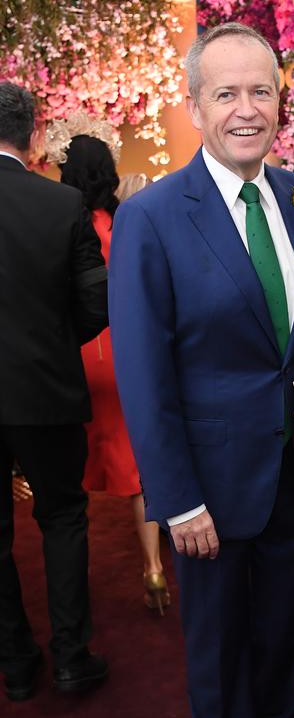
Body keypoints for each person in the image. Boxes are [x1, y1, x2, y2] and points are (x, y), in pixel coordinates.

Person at [108, 23, 294, 718]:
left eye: (261, 91)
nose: (247, 109)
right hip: (207, 482)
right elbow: (143, 372)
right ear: (196, 106)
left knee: (284, 625)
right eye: (226, 93)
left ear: (281, 100)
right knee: (217, 637)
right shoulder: (154, 217)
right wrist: (175, 497)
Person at [0, 82, 109, 701]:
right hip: (46, 387)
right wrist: (52, 345)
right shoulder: (61, 203)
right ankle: (71, 655)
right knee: (63, 517)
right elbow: (97, 300)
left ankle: (15, 660)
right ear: (34, 135)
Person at [51, 130, 169, 615]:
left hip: (78, 352)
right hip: (125, 352)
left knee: (67, 475)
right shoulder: (128, 219)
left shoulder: (59, 218)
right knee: (139, 470)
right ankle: (154, 567)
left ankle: (72, 584)